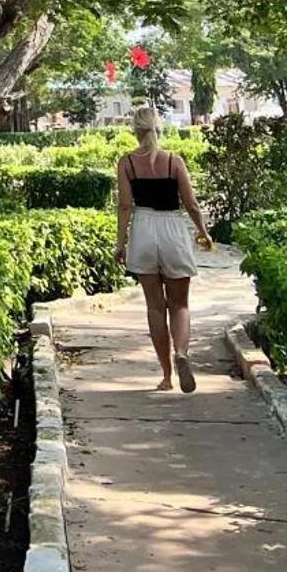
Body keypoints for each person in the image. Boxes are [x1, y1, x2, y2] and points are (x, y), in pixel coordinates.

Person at [115, 104, 214, 392]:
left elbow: (124, 206)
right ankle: (181, 354)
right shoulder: (174, 162)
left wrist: (120, 243)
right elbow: (191, 204)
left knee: (155, 307)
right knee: (180, 304)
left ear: (135, 130)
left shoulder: (127, 163)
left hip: (144, 230)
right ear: (159, 128)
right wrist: (203, 232)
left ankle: (167, 376)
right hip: (172, 229)